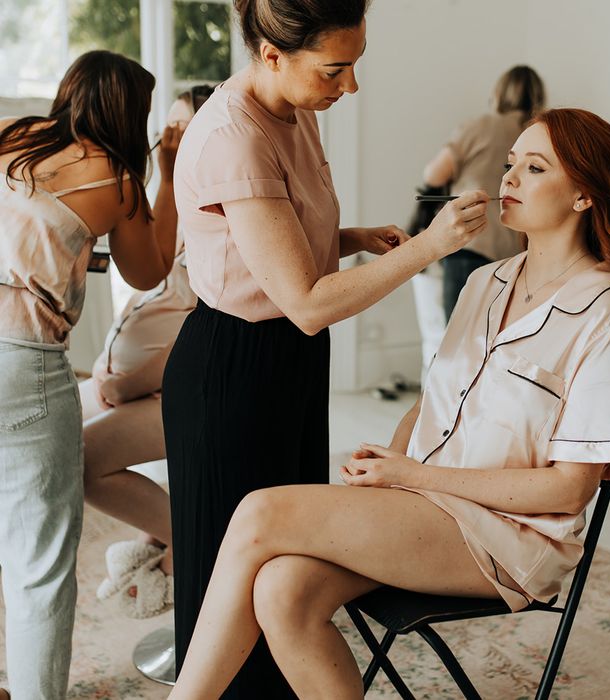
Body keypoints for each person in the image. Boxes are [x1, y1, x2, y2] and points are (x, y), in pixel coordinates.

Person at [166, 107, 610, 700]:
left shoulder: (608, 316)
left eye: (534, 168)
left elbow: (569, 491)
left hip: (507, 537)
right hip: (424, 502)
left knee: (259, 513)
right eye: (510, 165)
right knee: (281, 590)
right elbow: (431, 405)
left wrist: (412, 474)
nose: (509, 180)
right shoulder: (486, 281)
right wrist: (389, 467)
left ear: (583, 196)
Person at [162, 1, 490, 697]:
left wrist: (349, 237)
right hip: (236, 368)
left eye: (355, 66)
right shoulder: (235, 137)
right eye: (335, 70)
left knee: (287, 554)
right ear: (273, 55)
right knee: (231, 568)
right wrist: (429, 246)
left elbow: (272, 233)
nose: (351, 87)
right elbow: (307, 304)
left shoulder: (296, 109)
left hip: (290, 365)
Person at [0, 51, 178, 700]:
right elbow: (149, 271)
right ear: (130, 112)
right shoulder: (118, 179)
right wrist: (169, 174)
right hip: (21, 366)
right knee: (39, 564)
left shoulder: (13, 137)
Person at [78, 86, 213, 619]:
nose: (170, 137)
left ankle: (190, 544)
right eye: (169, 127)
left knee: (79, 463)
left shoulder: (214, 221)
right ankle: (166, 538)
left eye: (183, 127)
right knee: (42, 440)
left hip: (173, 391)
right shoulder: (177, 206)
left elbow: (198, 335)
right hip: (130, 385)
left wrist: (127, 384)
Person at [423, 65, 546, 320]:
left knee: (459, 338)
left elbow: (433, 175)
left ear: (500, 93)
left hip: (470, 242)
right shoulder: (536, 138)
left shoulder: (481, 126)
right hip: (516, 255)